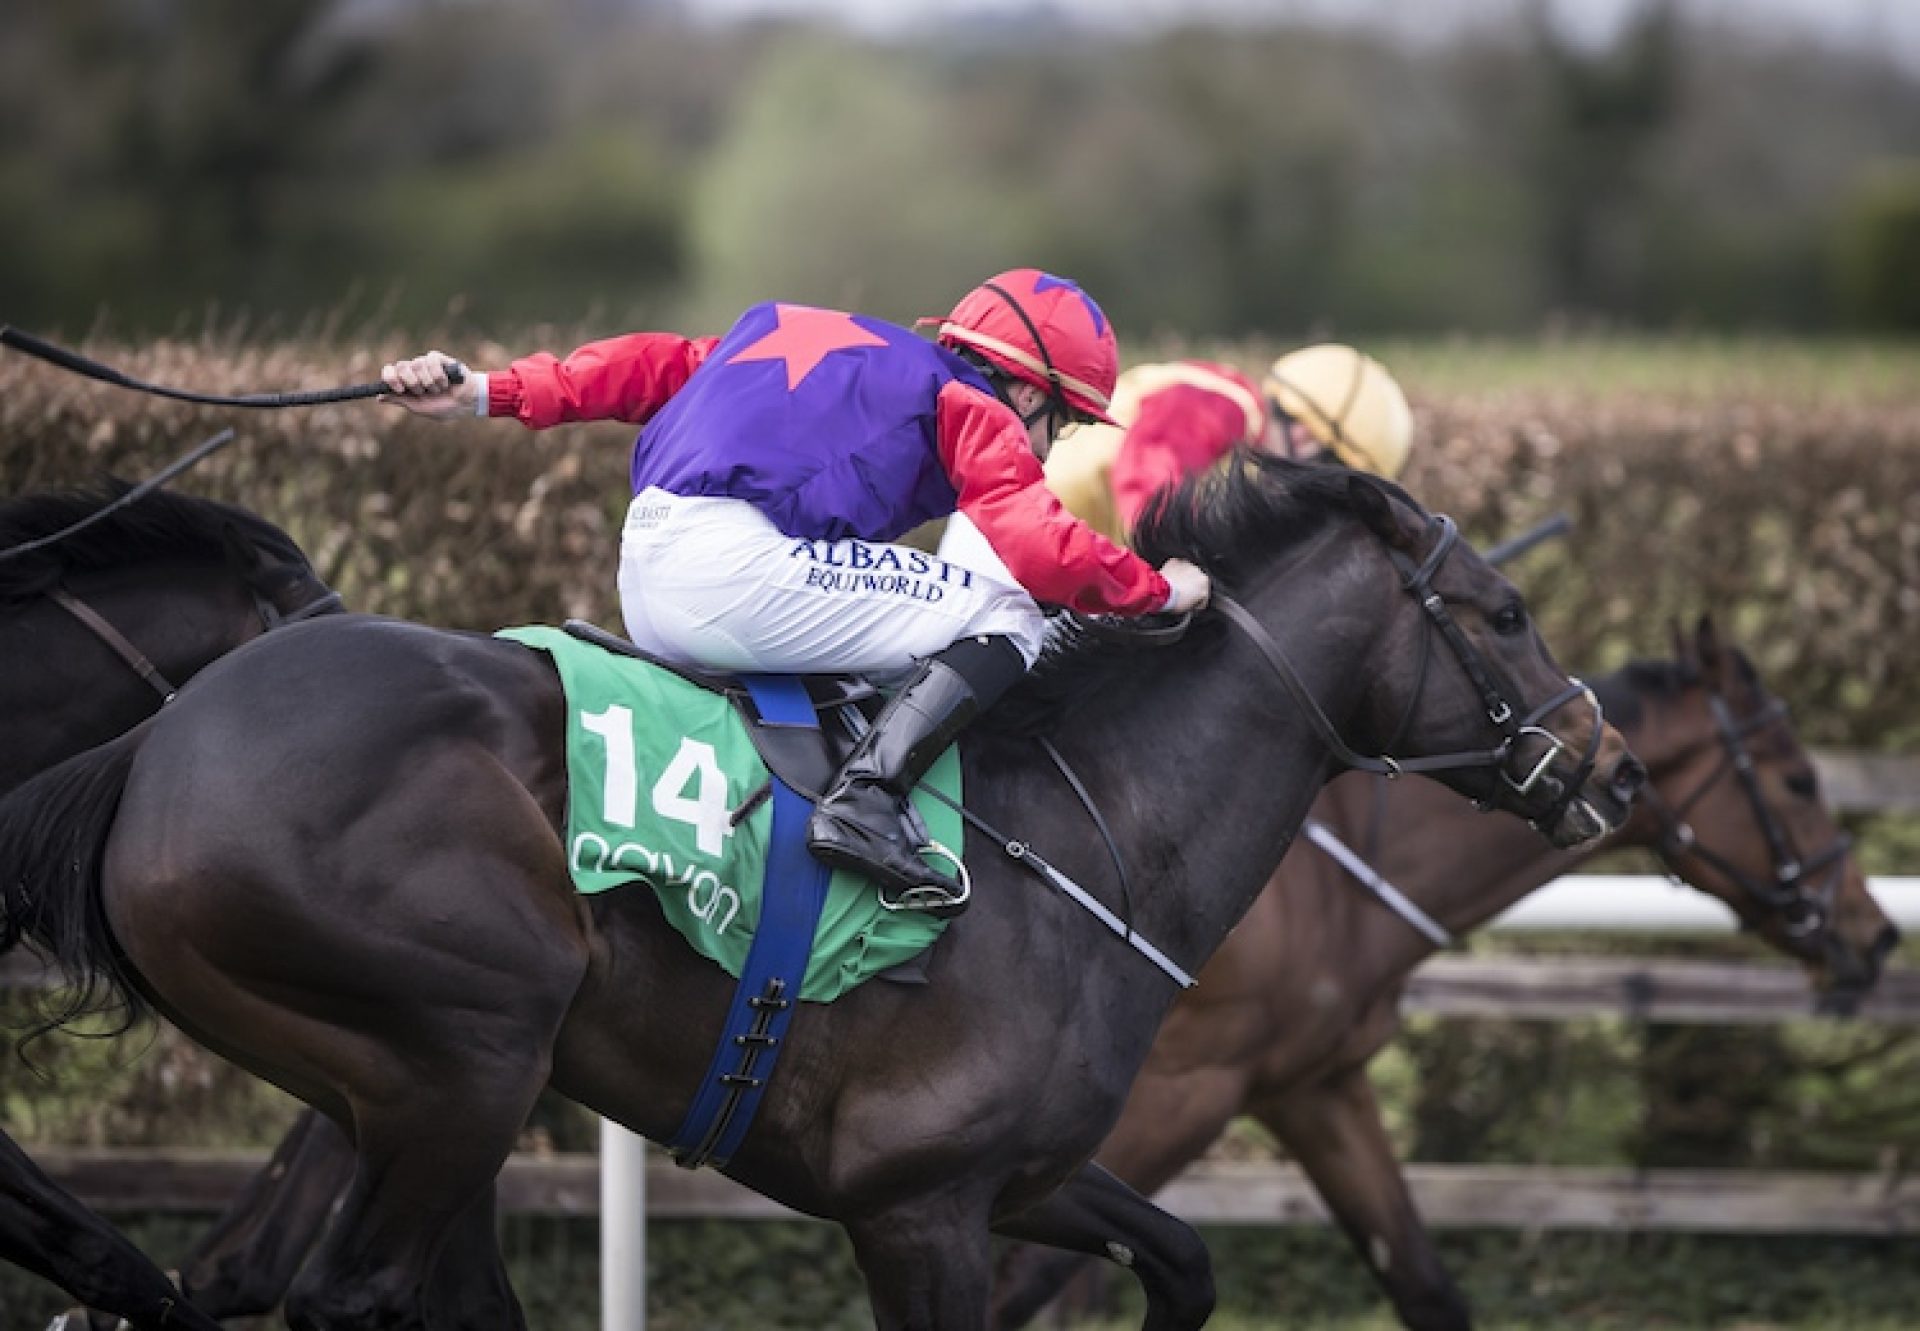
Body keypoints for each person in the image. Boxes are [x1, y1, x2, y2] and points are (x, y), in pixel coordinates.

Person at [379, 269, 1211, 918]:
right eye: (1062, 421)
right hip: (733, 575)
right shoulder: (976, 404)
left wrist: (485, 392)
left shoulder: (796, 333)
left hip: (648, 559)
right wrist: (1154, 590)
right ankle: (866, 802)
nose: (1050, 444)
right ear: (1029, 391)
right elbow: (1034, 548)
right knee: (1007, 612)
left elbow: (650, 366)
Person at [1042, 343, 1415, 544]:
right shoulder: (1228, 406)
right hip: (1028, 533)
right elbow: (1150, 478)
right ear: (1306, 436)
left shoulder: (1238, 430)